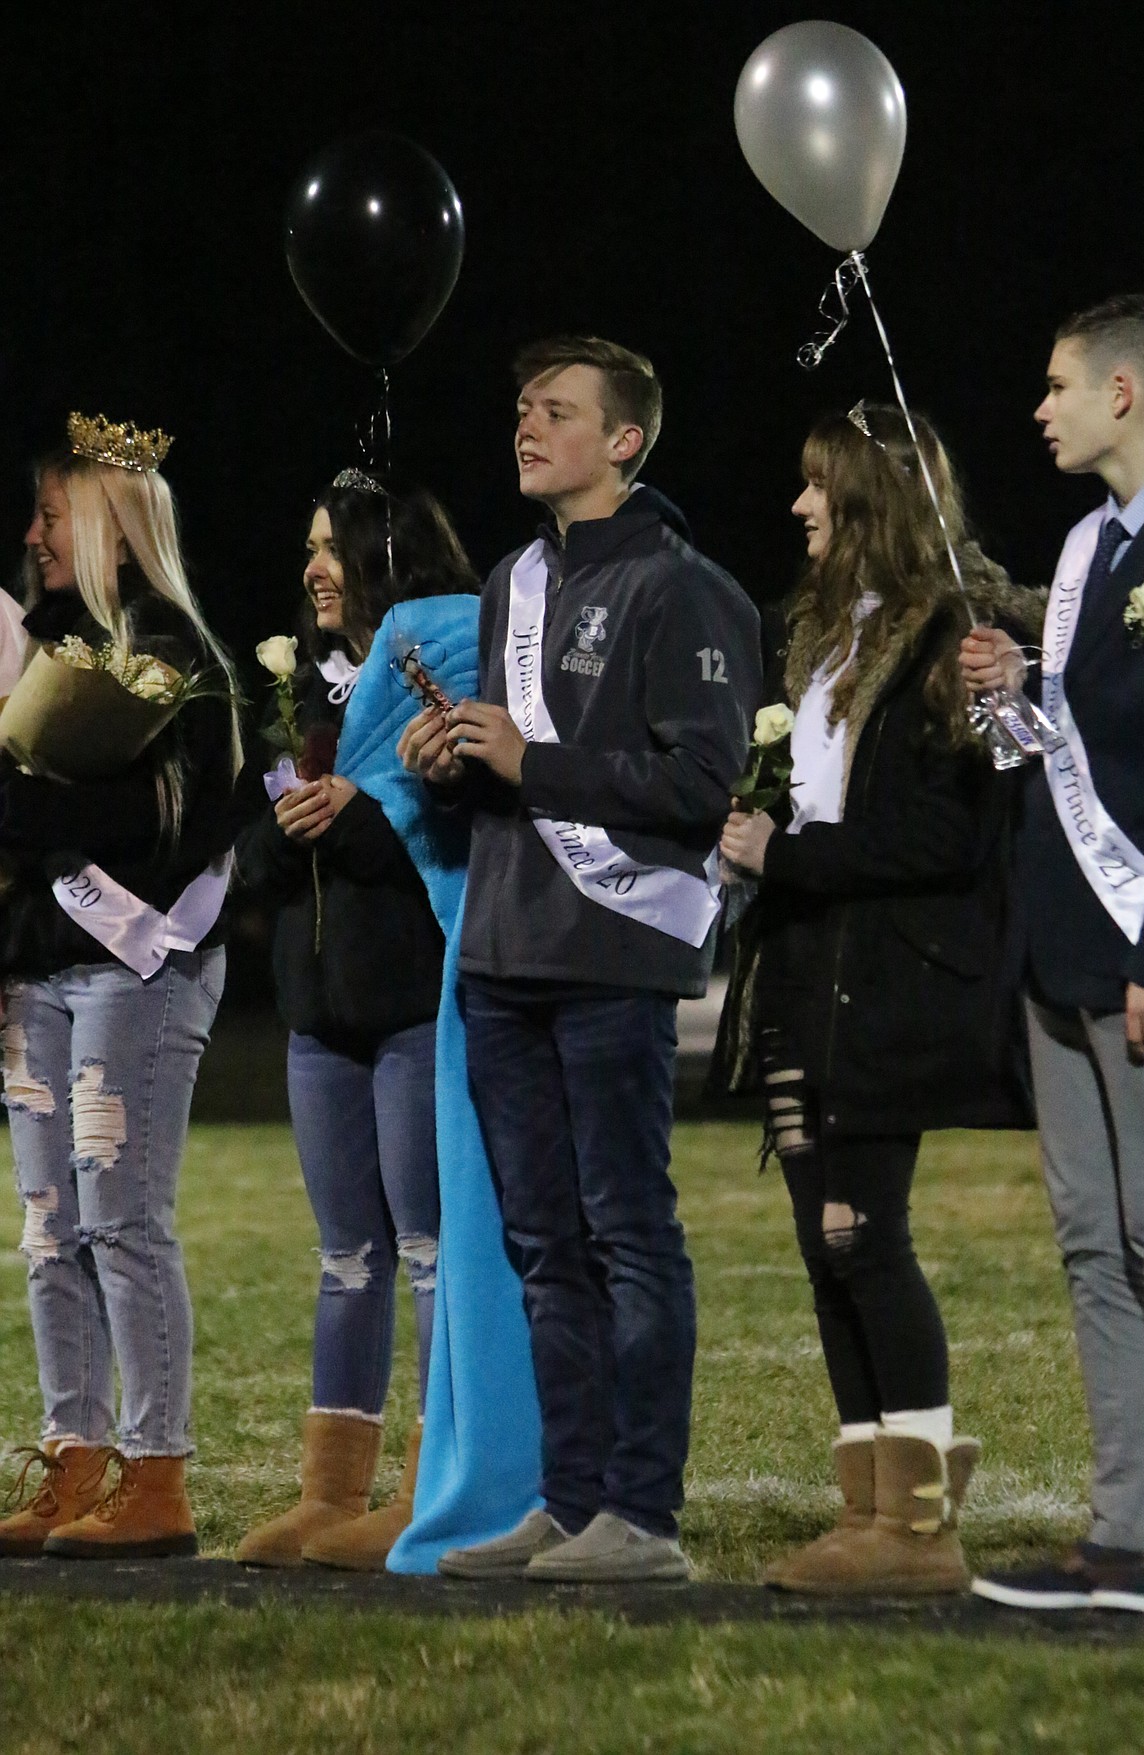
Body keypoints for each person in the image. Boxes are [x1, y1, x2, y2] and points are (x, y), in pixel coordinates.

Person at [399, 334, 761, 1582]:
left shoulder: (687, 589)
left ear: (625, 440)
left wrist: (529, 761)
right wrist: (447, 766)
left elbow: (705, 784)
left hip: (611, 955)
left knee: (625, 1232)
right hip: (505, 949)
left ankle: (644, 1519)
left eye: (557, 410)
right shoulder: (512, 579)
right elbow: (506, 775)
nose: (527, 425)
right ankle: (569, 1501)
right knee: (542, 1244)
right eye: (520, 407)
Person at [719, 403, 1035, 1596]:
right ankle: (868, 1508)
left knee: (864, 1235)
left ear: (873, 503)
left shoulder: (955, 631)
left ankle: (916, 1533)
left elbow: (944, 838)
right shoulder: (809, 634)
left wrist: (783, 855)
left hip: (888, 981)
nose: (799, 508)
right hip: (804, 974)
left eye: (822, 489)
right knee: (822, 1246)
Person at [961, 295, 1144, 1616]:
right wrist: (1007, 692)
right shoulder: (1088, 547)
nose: (1038, 407)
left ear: (1123, 394)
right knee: (1092, 1244)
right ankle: (1122, 1522)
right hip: (1058, 943)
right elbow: (1059, 755)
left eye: (1055, 385)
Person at [0, 412, 241, 1559]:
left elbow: (168, 829)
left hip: (133, 969)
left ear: (101, 521)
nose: (36, 535)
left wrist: (39, 814)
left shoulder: (175, 649)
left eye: (52, 513)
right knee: (50, 1230)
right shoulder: (48, 643)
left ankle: (157, 1478)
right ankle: (76, 1457)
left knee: (121, 1221)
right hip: (39, 971)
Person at [233, 473, 478, 1571]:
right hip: (318, 1020)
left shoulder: (434, 677)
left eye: (333, 548)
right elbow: (249, 861)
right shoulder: (299, 691)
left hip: (412, 1008)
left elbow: (454, 836)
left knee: (428, 1254)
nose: (313, 567)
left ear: (392, 558)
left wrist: (368, 812)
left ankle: (435, 1489)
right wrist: (293, 827)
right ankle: (330, 1495)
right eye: (309, 546)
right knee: (346, 1259)